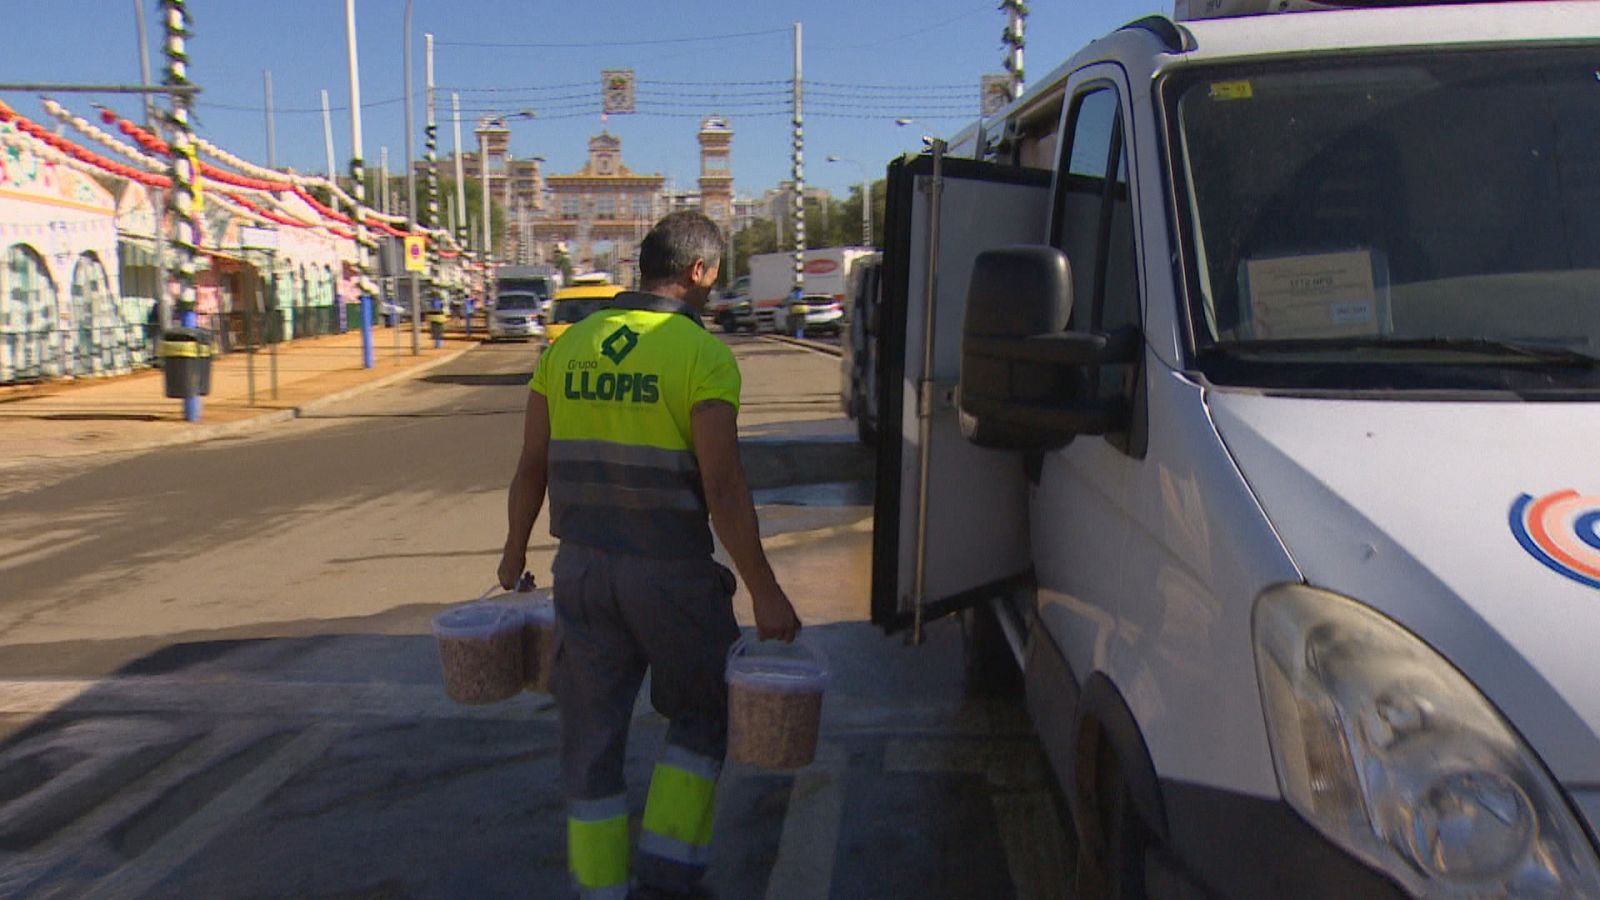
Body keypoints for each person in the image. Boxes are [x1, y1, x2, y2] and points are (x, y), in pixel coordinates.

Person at [498, 211, 801, 900]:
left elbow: (531, 465)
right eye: (715, 270)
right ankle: (668, 878)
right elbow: (722, 486)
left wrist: (515, 551)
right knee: (700, 714)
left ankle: (599, 888)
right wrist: (764, 590)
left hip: (579, 571)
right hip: (670, 575)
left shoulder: (566, 348)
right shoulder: (702, 356)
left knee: (591, 739)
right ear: (698, 272)